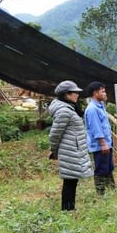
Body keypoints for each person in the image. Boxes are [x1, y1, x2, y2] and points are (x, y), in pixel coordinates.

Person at [48, 80, 93, 211]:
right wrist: (54, 151)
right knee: (70, 181)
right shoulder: (64, 111)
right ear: (66, 95)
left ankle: (69, 209)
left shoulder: (69, 108)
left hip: (73, 149)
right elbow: (54, 134)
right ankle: (67, 210)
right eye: (75, 93)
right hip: (70, 150)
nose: (77, 95)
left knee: (72, 180)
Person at [84, 81, 116, 195]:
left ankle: (112, 190)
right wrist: (103, 143)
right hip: (100, 145)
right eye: (102, 91)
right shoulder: (92, 109)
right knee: (101, 168)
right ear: (95, 93)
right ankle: (101, 193)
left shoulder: (100, 106)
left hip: (106, 143)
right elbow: (96, 128)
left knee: (108, 167)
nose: (105, 93)